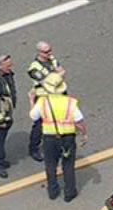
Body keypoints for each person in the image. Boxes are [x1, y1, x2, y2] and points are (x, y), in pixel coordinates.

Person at [29, 72, 86, 202]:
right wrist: (84, 134)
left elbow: (33, 116)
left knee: (50, 165)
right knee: (68, 165)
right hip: (67, 139)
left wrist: (31, 100)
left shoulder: (43, 102)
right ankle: (69, 192)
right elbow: (79, 121)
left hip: (49, 139)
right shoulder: (70, 102)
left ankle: (53, 191)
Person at [26, 41, 64, 162]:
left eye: (50, 50)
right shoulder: (34, 68)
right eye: (46, 51)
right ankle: (33, 148)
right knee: (39, 125)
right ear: (39, 52)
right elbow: (48, 81)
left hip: (57, 96)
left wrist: (56, 76)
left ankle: (58, 146)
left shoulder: (52, 59)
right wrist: (57, 75)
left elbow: (62, 73)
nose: (49, 53)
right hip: (43, 98)